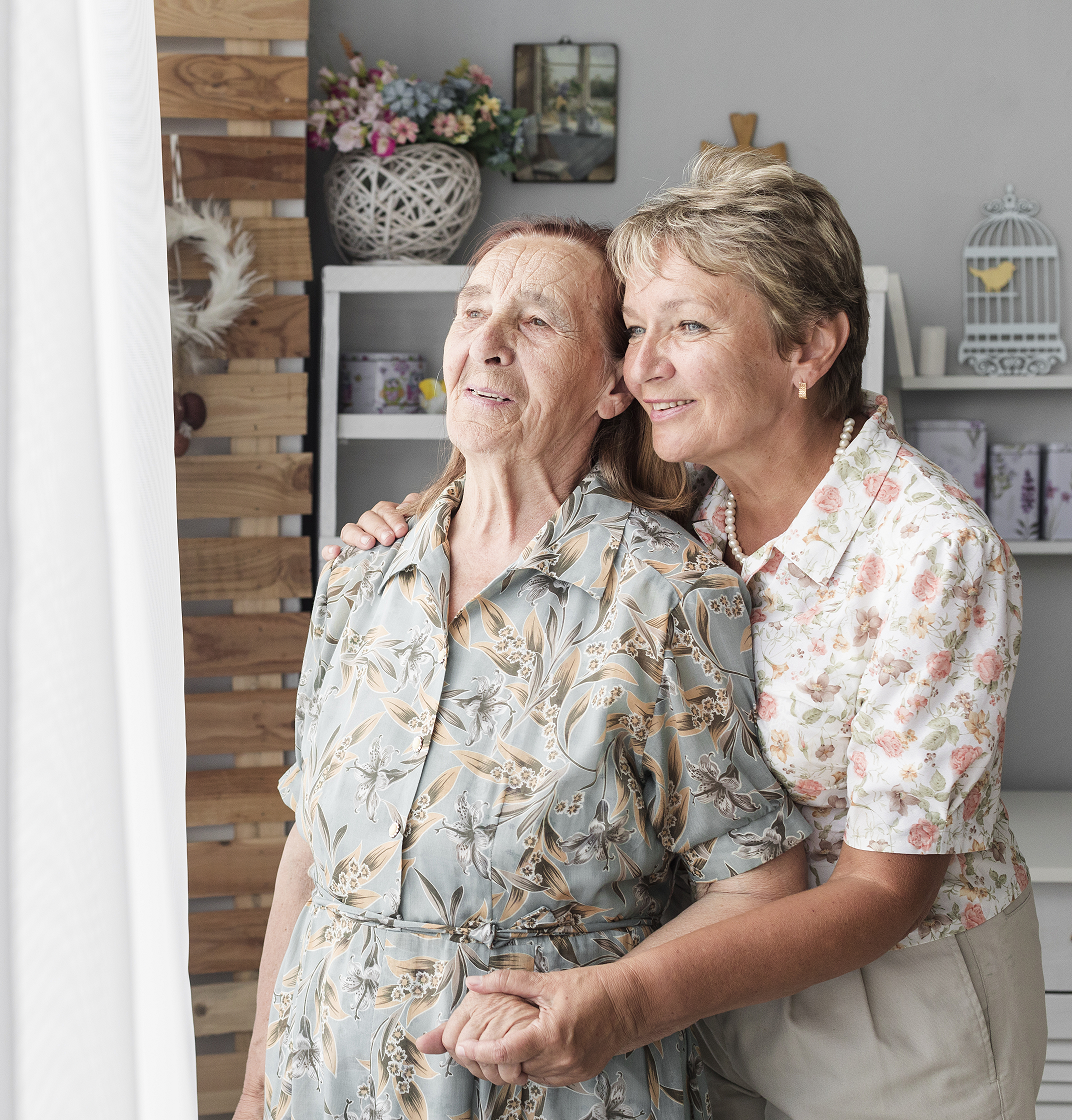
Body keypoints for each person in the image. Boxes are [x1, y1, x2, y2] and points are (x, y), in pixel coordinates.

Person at [333, 149, 1046, 1120]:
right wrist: (413, 518)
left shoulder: (929, 551)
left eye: (691, 327)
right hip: (710, 989)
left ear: (810, 348)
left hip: (892, 1016)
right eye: (635, 331)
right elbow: (520, 463)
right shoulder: (689, 491)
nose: (645, 365)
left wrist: (623, 998)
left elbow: (886, 890)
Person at [231, 217, 812, 1120]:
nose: (488, 344)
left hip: (557, 1090)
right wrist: (259, 1085)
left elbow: (756, 883)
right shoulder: (361, 574)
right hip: (326, 1079)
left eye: (537, 323)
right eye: (472, 312)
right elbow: (309, 851)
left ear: (613, 385)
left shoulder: (666, 596)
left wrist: (615, 1005)